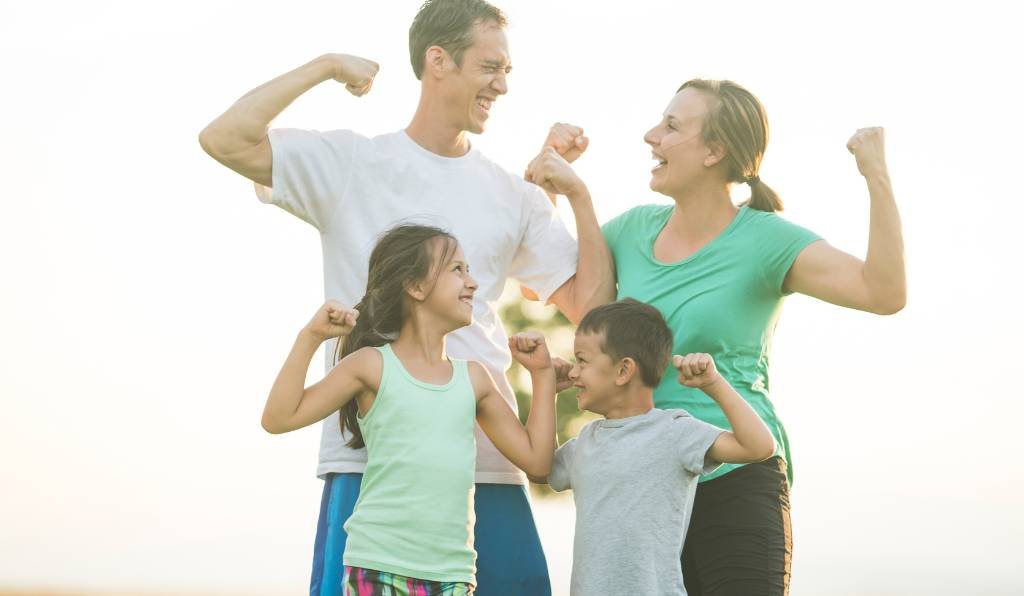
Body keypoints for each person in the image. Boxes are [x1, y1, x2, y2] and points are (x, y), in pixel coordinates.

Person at [198, 1, 612, 593]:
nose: (501, 84)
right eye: (490, 67)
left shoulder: (511, 195)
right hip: (371, 465)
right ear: (437, 61)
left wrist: (575, 194)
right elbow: (224, 138)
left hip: (487, 462)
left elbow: (593, 308)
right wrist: (324, 66)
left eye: (508, 71)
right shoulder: (352, 163)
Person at [527, 79, 906, 595]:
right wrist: (555, 182)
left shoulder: (766, 240)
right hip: (645, 483)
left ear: (714, 151)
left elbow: (883, 291)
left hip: (735, 473)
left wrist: (876, 176)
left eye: (671, 126)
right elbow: (548, 284)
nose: (650, 136)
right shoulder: (632, 230)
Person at [262, 224, 559, 594]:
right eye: (457, 270)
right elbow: (278, 418)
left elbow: (537, 462)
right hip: (378, 567)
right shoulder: (370, 365)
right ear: (415, 287)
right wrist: (310, 337)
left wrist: (543, 377)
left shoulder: (474, 379)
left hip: (453, 575)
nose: (472, 283)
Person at [544, 299, 775, 595]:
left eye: (582, 361)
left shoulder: (675, 431)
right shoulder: (585, 441)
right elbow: (542, 468)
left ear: (623, 371)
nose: (574, 373)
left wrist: (713, 383)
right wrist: (544, 388)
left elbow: (758, 446)